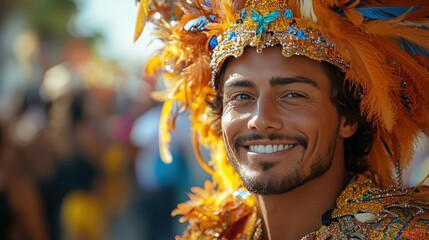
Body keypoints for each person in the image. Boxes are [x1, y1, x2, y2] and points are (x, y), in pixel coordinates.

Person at [134, 0, 429, 239]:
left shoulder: (408, 233)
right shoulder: (211, 233)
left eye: (292, 95)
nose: (260, 120)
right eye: (241, 97)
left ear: (348, 118)